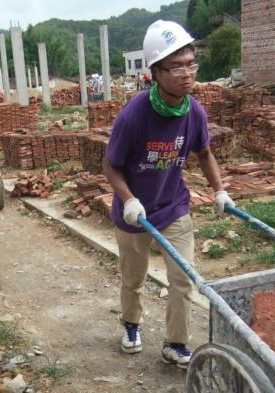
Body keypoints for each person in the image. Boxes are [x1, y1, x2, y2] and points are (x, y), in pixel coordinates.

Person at [103, 19, 235, 369]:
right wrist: (128, 199)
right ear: (155, 72)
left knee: (183, 278)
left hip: (174, 207)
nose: (186, 73)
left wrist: (219, 191)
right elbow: (110, 165)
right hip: (135, 215)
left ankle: (175, 344)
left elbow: (204, 152)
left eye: (191, 64)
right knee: (134, 278)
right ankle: (131, 325)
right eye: (175, 67)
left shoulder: (194, 111)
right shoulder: (134, 115)